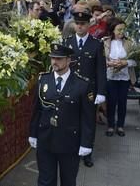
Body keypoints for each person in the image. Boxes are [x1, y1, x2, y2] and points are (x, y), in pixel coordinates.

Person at [29, 43, 94, 186]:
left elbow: (87, 118)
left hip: (69, 142)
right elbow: (36, 110)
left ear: (68, 60)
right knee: (45, 181)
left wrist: (86, 143)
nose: (54, 62)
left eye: (59, 59)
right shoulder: (43, 80)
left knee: (68, 181)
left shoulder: (82, 84)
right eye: (52, 58)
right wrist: (33, 133)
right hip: (46, 139)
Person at [63, 10, 106, 167]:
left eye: (83, 24)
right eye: (78, 24)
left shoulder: (96, 44)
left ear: (89, 25)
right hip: (71, 89)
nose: (80, 27)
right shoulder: (67, 42)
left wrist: (101, 92)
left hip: (89, 90)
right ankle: (71, 148)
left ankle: (87, 151)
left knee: (88, 121)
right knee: (70, 120)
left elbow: (101, 70)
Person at [104, 21, 135, 137]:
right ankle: (111, 125)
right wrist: (109, 63)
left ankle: (121, 125)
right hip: (110, 76)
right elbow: (102, 60)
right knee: (111, 101)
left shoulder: (129, 43)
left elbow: (136, 60)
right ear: (113, 30)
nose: (121, 32)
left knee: (122, 101)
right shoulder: (106, 42)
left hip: (124, 77)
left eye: (123, 29)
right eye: (119, 29)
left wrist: (125, 62)